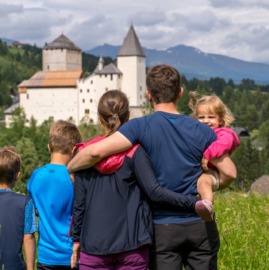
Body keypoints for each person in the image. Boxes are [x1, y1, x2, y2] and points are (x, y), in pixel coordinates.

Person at [68, 65, 237, 270]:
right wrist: (212, 183)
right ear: (180, 93)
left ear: (149, 95)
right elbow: (229, 172)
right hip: (201, 225)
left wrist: (71, 167)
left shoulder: (140, 126)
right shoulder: (201, 130)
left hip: (163, 228)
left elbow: (95, 153)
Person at [71, 90, 201, 270]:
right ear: (129, 116)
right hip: (133, 245)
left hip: (94, 246)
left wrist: (76, 239)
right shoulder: (137, 152)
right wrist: (193, 201)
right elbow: (154, 192)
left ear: (100, 118)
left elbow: (79, 205)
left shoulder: (85, 155)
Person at [27, 120, 82, 270]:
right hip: (72, 256)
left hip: (46, 257)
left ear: (49, 147)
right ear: (74, 150)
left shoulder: (36, 177)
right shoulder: (77, 178)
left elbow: (34, 211)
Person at [189, 92, 240, 221]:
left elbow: (225, 143)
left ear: (221, 119)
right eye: (201, 117)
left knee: (204, 182)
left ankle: (207, 206)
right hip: (198, 169)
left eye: (211, 117)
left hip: (212, 171)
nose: (206, 121)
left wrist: (208, 154)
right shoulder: (196, 132)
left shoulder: (224, 133)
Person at [0, 146, 37, 270]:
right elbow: (28, 238)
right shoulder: (25, 202)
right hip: (15, 265)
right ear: (17, 175)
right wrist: (31, 268)